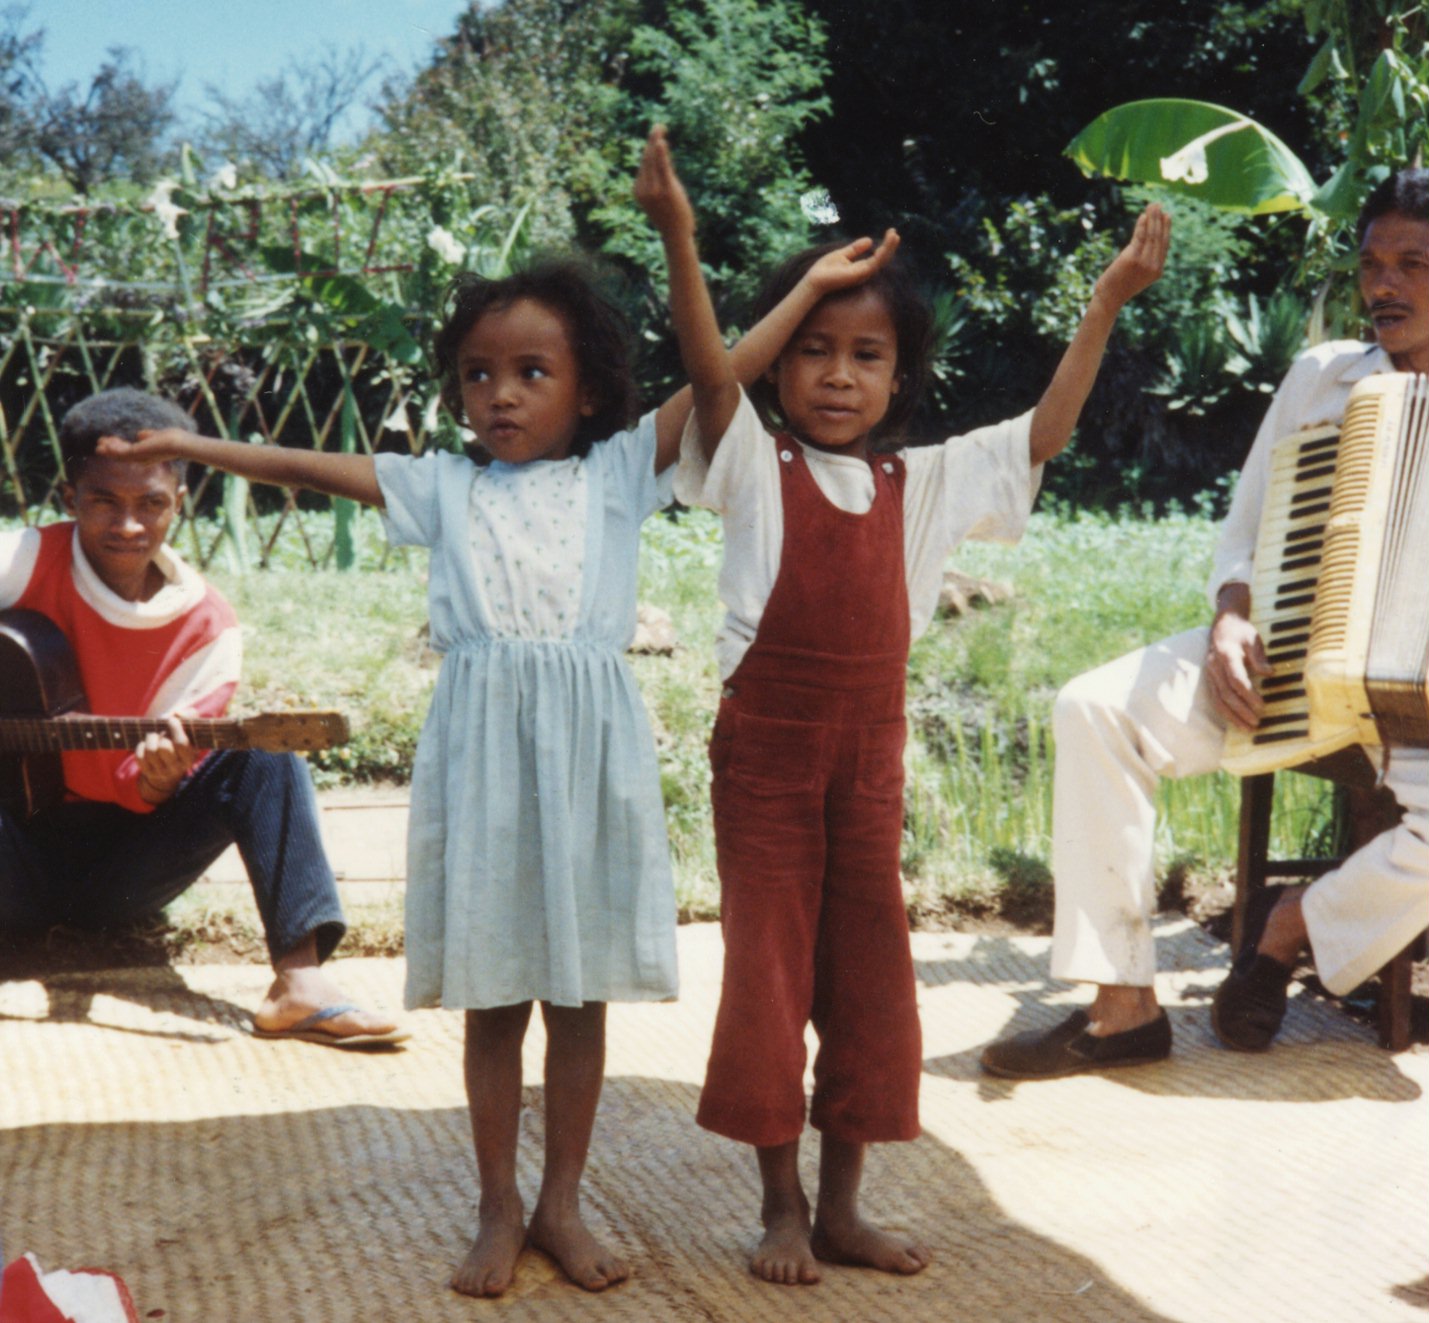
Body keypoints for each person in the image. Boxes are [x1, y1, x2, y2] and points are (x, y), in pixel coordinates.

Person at [102, 127, 741, 1300]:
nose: (499, 395)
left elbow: (717, 382)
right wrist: (185, 441)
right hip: (486, 756)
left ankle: (563, 1204)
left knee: (580, 989)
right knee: (496, 993)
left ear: (587, 387)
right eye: (478, 376)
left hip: (589, 758)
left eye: (531, 374)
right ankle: (498, 1207)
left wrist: (678, 233)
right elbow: (300, 467)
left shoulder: (616, 479)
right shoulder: (443, 488)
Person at [672, 194, 1169, 1284]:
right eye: (812, 351)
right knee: (766, 977)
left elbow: (1044, 434)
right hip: (763, 760)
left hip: (868, 762)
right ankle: (781, 1211)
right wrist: (687, 236)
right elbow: (711, 378)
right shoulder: (751, 459)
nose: (837, 376)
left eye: (865, 355)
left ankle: (845, 1207)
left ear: (900, 381)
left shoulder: (928, 480)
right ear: (779, 367)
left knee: (868, 980)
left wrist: (1105, 302)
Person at [979, 167, 1429, 1081]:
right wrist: (1230, 616)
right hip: (1285, 663)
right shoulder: (1319, 378)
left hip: (1415, 705)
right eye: (1371, 263)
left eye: (1412, 264)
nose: (1383, 285)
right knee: (1093, 707)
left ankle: (1291, 923)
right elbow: (1248, 526)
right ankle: (1122, 1009)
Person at [0, 387, 404, 1050]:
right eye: (104, 500)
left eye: (151, 503)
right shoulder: (23, 561)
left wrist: (161, 776)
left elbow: (140, 786)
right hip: (12, 849)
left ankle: (299, 983)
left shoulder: (206, 628)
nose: (128, 524)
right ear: (70, 498)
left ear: (180, 503)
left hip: (124, 870)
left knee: (266, 755)